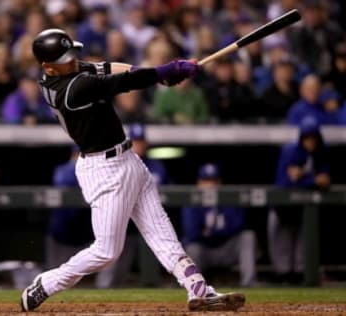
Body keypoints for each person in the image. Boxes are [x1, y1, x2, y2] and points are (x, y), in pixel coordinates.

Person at [20, 28, 245, 312]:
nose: (74, 60)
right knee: (106, 251)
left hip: (129, 159)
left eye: (73, 53)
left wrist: (157, 73)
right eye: (66, 58)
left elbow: (108, 67)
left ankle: (199, 289)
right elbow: (123, 82)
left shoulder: (65, 71)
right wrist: (166, 70)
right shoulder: (71, 89)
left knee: (162, 235)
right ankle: (47, 283)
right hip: (104, 170)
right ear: (48, 66)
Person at [96, 123, 169, 288]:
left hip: (147, 228)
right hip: (124, 228)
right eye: (135, 141)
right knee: (110, 272)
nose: (138, 145)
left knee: (155, 272)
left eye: (141, 141)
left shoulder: (157, 166)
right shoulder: (116, 165)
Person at [269, 116, 330, 283]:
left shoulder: (320, 152)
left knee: (302, 253)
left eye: (313, 138)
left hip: (302, 209)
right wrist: (312, 180)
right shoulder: (290, 151)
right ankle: (283, 278)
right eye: (307, 137)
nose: (310, 141)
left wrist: (304, 177)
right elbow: (286, 182)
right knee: (282, 251)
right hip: (282, 207)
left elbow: (325, 178)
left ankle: (300, 278)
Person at [181, 164, 257, 287]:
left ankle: (249, 282)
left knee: (247, 236)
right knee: (192, 248)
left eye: (213, 181)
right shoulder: (192, 201)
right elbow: (191, 233)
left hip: (227, 249)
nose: (210, 185)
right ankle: (194, 286)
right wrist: (218, 231)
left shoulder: (228, 199)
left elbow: (238, 225)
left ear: (220, 182)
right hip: (204, 252)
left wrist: (210, 232)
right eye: (206, 181)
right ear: (199, 183)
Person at [46, 145, 94, 270]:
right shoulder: (63, 170)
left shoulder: (94, 170)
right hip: (62, 235)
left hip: (85, 234)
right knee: (57, 273)